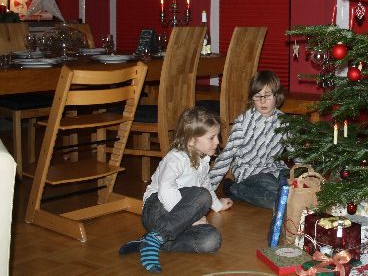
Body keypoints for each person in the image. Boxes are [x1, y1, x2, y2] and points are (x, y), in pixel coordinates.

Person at [118, 107, 233, 273]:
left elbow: (205, 183)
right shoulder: (176, 158)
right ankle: (157, 236)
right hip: (157, 209)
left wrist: (217, 206)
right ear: (192, 140)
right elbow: (165, 190)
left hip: (175, 222)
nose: (217, 141)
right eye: (212, 137)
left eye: (217, 136)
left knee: (212, 240)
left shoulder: (203, 160)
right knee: (202, 196)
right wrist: (189, 218)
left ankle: (150, 241)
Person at [208, 70, 288, 209]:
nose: (263, 101)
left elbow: (295, 151)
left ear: (277, 96)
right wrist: (208, 188)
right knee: (279, 197)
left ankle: (244, 191)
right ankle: (235, 189)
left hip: (274, 168)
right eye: (258, 96)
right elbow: (227, 155)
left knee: (290, 187)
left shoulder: (284, 122)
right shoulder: (243, 122)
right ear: (252, 98)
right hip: (250, 171)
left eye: (267, 96)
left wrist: (306, 171)